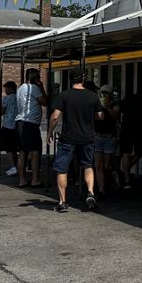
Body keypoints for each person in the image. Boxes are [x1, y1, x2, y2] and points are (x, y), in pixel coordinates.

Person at [49, 72, 103, 213]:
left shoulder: (64, 95)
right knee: (88, 165)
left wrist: (49, 132)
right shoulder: (93, 96)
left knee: (62, 169)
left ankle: (62, 202)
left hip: (68, 137)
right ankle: (90, 192)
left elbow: (55, 116)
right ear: (83, 80)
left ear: (70, 80)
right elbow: (100, 116)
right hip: (87, 137)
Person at [16, 68, 46, 187]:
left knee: (23, 151)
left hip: (20, 122)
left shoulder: (21, 88)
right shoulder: (34, 88)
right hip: (30, 123)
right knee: (35, 151)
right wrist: (42, 87)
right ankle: (35, 179)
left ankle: (22, 179)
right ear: (35, 78)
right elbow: (45, 101)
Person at [118, 86, 142, 189]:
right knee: (140, 150)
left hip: (126, 128)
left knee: (125, 153)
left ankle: (126, 178)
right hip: (139, 128)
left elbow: (118, 109)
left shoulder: (126, 102)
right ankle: (125, 172)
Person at [94, 84, 119, 195]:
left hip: (109, 137)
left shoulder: (115, 105)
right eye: (102, 92)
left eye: (106, 93)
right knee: (98, 164)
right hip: (98, 136)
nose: (103, 94)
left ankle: (109, 181)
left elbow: (115, 116)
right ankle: (101, 189)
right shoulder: (96, 104)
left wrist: (107, 106)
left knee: (106, 165)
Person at [0, 81, 20, 177]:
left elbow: (2, 111)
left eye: (6, 89)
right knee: (16, 147)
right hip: (17, 124)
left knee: (8, 148)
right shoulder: (20, 98)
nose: (6, 91)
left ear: (11, 88)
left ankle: (13, 166)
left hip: (8, 125)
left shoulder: (6, 99)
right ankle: (17, 165)